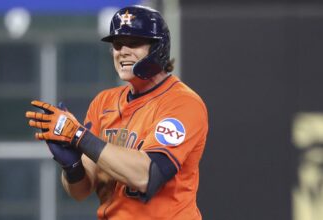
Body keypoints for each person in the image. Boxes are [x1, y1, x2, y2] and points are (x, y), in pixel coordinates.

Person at [26, 5, 208, 220]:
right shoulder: (104, 102)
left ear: (158, 47)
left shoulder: (182, 103)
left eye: (134, 43)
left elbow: (147, 175)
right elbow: (80, 191)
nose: (123, 51)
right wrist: (72, 165)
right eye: (118, 44)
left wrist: (78, 136)